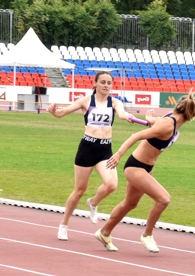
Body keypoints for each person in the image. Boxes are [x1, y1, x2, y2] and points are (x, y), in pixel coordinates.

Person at [94, 91, 195, 253]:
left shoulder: (171, 119)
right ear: (191, 115)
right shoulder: (169, 124)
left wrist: (150, 121)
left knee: (130, 203)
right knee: (163, 199)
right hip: (136, 167)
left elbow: (157, 125)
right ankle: (147, 235)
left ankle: (104, 232)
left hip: (146, 168)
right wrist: (118, 154)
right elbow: (136, 135)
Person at [47, 71, 133, 241]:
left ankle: (93, 203)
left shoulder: (115, 102)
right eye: (103, 82)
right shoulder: (86, 101)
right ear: (95, 84)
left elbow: (122, 114)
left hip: (104, 150)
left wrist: (127, 116)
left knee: (111, 184)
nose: (106, 85)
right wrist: (53, 111)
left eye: (109, 83)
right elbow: (61, 113)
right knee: (79, 190)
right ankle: (64, 224)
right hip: (87, 148)